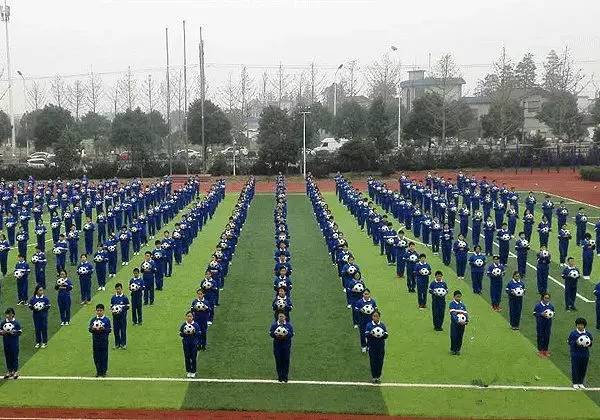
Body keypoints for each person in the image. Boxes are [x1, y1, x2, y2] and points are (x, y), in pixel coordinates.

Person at [567, 318, 593, 389]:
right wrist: (576, 343)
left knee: (583, 368)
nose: (580, 326)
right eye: (578, 325)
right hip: (575, 354)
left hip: (585, 354)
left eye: (581, 325)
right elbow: (569, 342)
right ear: (576, 325)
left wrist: (589, 343)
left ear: (584, 326)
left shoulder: (587, 334)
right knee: (575, 368)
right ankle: (575, 382)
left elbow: (590, 343)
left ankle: (581, 382)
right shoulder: (573, 333)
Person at [269, 311, 294, 383]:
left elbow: (291, 334)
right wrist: (276, 334)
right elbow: (271, 334)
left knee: (286, 361)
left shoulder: (289, 325)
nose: (281, 318)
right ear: (278, 317)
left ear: (285, 317)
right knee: (278, 361)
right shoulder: (274, 326)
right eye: (280, 316)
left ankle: (285, 377)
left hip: (286, 346)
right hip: (277, 346)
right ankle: (280, 376)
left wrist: (286, 334)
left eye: (282, 316)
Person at [365, 310, 388, 384]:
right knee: (373, 361)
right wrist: (372, 333)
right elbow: (367, 335)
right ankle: (374, 377)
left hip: (381, 347)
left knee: (380, 362)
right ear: (372, 317)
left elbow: (386, 335)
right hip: (372, 346)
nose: (375, 318)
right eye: (374, 316)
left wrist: (381, 334)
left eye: (377, 316)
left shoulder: (382, 325)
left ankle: (378, 377)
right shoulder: (369, 325)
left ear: (379, 317)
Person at [88, 303, 111, 377]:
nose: (99, 312)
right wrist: (93, 329)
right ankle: (98, 371)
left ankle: (104, 372)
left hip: (104, 341)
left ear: (103, 311)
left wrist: (103, 329)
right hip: (95, 341)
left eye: (100, 310)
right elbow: (90, 330)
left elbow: (109, 330)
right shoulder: (93, 320)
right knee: (96, 356)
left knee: (104, 356)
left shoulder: (106, 320)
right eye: (97, 310)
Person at [0, 308, 22, 379]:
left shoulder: (16, 323)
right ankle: (9, 371)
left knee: (14, 356)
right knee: (8, 356)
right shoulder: (3, 323)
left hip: (14, 342)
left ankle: (15, 371)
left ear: (12, 314)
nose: (8, 315)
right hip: (6, 342)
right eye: (7, 314)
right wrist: (2, 332)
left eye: (9, 314)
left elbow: (20, 332)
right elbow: (0, 331)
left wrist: (14, 333)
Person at [180, 311, 201, 378]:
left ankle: (193, 371)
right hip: (186, 343)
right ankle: (188, 371)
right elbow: (181, 334)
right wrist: (185, 333)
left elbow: (199, 334)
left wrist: (193, 332)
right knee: (187, 357)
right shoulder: (184, 325)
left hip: (193, 343)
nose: (189, 318)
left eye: (190, 316)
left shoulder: (196, 325)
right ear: (186, 317)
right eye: (188, 316)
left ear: (193, 317)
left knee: (193, 357)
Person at [533, 293, 554, 358]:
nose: (547, 299)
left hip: (548, 324)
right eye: (545, 298)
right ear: (542, 298)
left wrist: (550, 315)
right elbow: (534, 313)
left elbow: (553, 313)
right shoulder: (538, 306)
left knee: (547, 336)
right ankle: (540, 351)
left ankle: (545, 350)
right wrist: (541, 314)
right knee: (540, 336)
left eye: (548, 298)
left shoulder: (551, 306)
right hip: (540, 324)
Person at [110, 283, 130, 350]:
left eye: (119, 289)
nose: (118, 290)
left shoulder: (124, 298)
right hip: (115, 317)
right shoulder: (113, 298)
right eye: (117, 289)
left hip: (122, 317)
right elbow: (111, 306)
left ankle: (123, 344)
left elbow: (128, 306)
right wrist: (114, 310)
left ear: (121, 289)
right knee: (116, 330)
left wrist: (121, 308)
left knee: (123, 330)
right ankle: (117, 344)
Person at [449, 290, 468, 355]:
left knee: (460, 336)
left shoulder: (463, 305)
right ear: (454, 297)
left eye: (460, 297)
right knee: (454, 336)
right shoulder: (452, 304)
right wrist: (457, 321)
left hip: (462, 324)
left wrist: (466, 321)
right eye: (457, 297)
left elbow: (465, 314)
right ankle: (453, 349)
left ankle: (458, 349)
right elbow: (453, 314)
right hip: (455, 324)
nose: (458, 298)